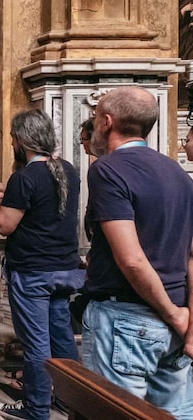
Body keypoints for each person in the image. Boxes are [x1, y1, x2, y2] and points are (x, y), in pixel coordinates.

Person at [82, 87, 193, 417]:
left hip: (126, 318)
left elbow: (131, 259)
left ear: (106, 121)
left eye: (95, 116)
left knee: (115, 413)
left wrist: (173, 314)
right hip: (175, 320)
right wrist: (185, 318)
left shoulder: (108, 170)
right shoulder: (179, 174)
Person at [0, 109, 83, 420]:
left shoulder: (24, 178)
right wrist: (5, 191)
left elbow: (5, 225)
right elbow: (43, 205)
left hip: (34, 272)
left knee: (37, 345)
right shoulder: (67, 170)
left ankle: (36, 410)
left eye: (12, 137)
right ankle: (70, 400)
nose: (10, 142)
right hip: (64, 269)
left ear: (23, 140)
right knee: (61, 337)